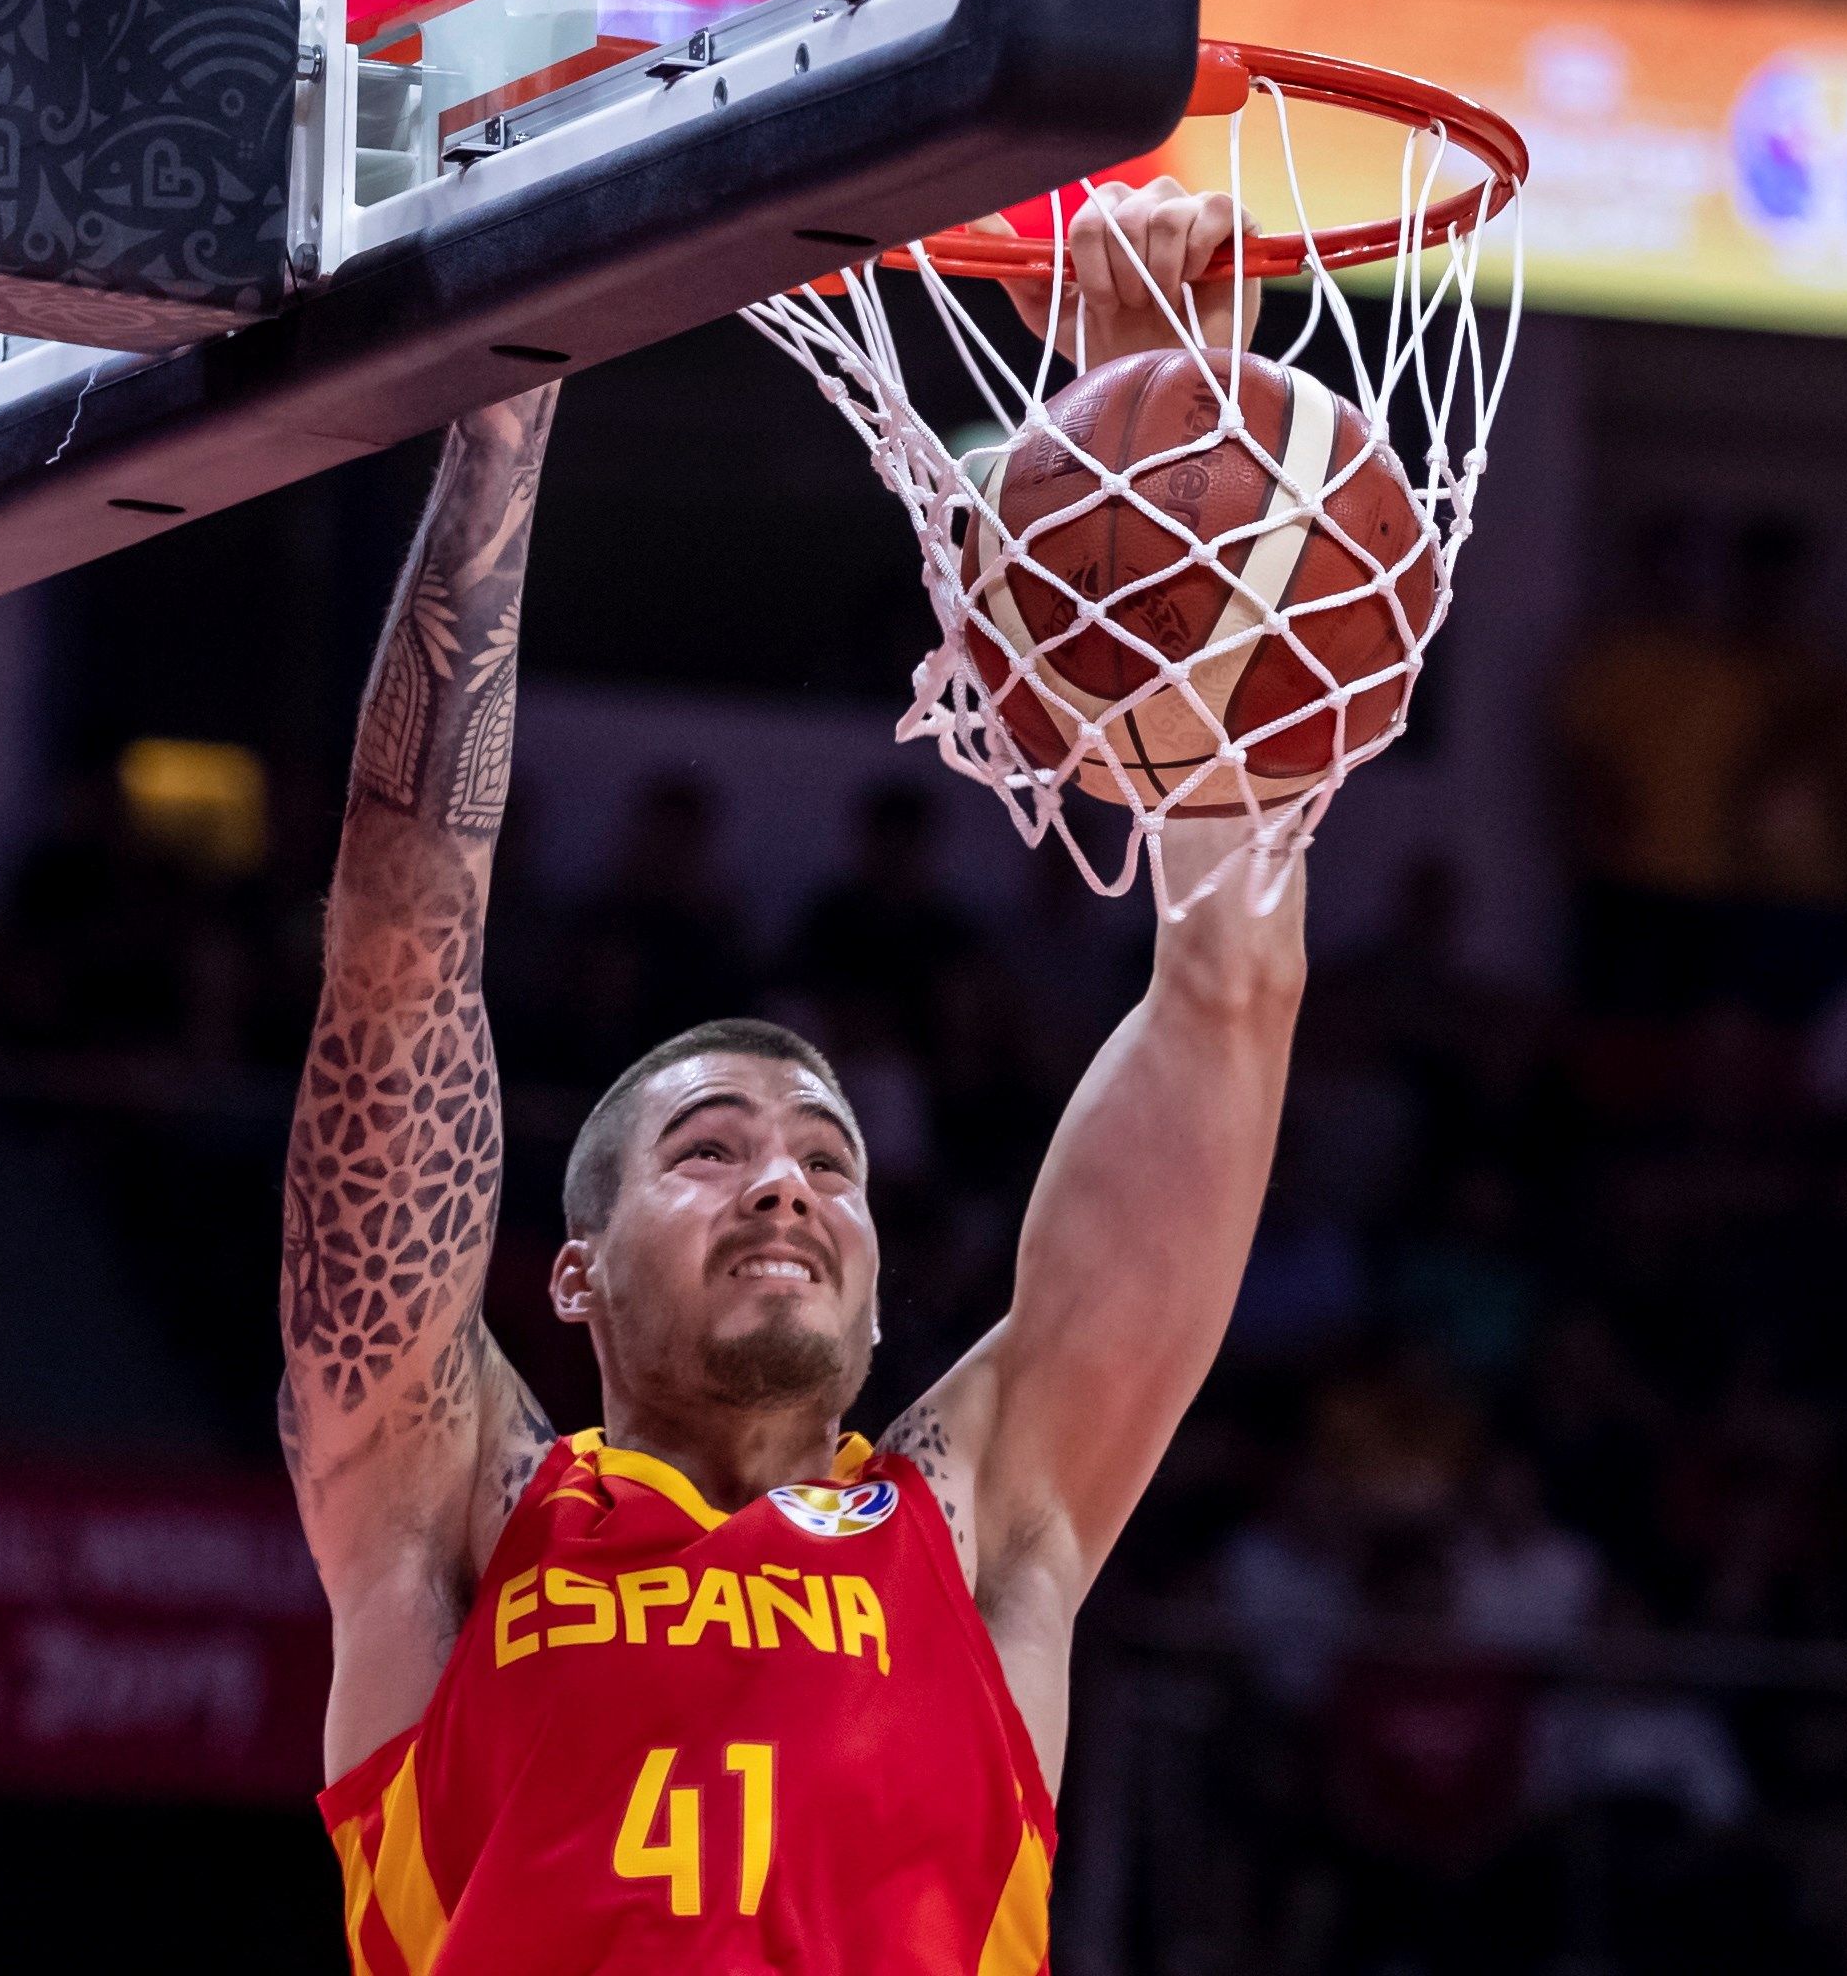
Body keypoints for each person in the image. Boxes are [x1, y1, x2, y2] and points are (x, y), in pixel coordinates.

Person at [280, 179, 1301, 1975]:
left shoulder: (981, 1522)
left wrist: (1170, 464)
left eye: (830, 1161)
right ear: (570, 1271)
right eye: (709, 1148)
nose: (785, 1183)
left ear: (884, 1280)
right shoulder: (463, 1515)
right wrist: (508, 406)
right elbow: (398, 950)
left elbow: (1230, 986)